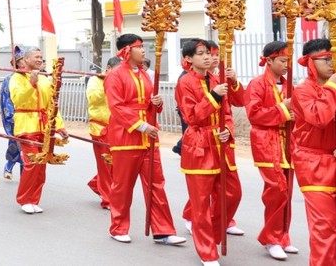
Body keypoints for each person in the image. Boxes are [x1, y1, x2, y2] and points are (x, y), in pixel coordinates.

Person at [103, 34, 185, 245]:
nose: (144, 51)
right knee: (123, 185)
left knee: (156, 184)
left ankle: (163, 230)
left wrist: (155, 103)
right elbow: (117, 106)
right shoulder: (115, 76)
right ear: (127, 50)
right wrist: (141, 125)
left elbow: (149, 104)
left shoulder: (144, 75)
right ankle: (118, 227)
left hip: (148, 138)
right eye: (139, 47)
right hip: (126, 138)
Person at [175, 39, 243, 266]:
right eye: (201, 53)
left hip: (220, 146)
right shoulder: (185, 83)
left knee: (233, 194)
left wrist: (228, 131)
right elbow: (192, 116)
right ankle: (207, 252)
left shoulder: (217, 79)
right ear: (189, 59)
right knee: (201, 203)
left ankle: (210, 236)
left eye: (208, 53)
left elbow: (229, 112)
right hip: (198, 144)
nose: (207, 57)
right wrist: (213, 95)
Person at [245, 40, 297, 259]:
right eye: (283, 60)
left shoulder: (290, 85)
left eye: (288, 60)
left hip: (288, 143)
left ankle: (283, 236)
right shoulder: (256, 84)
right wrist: (282, 109)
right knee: (276, 190)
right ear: (269, 60)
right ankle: (271, 238)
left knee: (288, 191)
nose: (287, 65)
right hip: (267, 143)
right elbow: (254, 115)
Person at [291, 38, 336, 266]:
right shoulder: (302, 91)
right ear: (310, 62)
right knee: (324, 228)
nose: (332, 64)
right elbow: (320, 118)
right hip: (313, 162)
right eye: (327, 59)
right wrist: (332, 88)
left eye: (333, 58)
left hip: (332, 157)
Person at [9, 46, 70, 214]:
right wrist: (31, 83)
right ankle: (24, 199)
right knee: (32, 163)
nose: (39, 59)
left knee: (42, 164)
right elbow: (18, 100)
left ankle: (34, 199)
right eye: (36, 56)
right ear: (26, 59)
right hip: (26, 125)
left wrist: (60, 125)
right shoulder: (17, 77)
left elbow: (51, 105)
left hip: (45, 126)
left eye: (41, 57)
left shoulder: (44, 78)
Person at [86, 56, 120, 210]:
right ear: (108, 69)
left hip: (118, 129)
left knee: (118, 164)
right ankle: (107, 198)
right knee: (106, 165)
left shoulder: (121, 81)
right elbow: (94, 99)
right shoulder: (95, 80)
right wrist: (108, 82)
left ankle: (96, 184)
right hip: (101, 129)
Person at [0, 48, 26, 180]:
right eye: (21, 61)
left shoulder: (31, 78)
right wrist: (11, 115)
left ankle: (23, 171)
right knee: (15, 143)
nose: (24, 64)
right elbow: (7, 99)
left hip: (29, 118)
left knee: (27, 145)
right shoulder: (9, 80)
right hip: (15, 117)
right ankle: (9, 164)